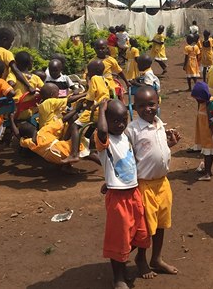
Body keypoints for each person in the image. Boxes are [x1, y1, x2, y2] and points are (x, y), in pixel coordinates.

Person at [95, 99, 150, 289]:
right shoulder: (104, 140)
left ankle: (128, 259)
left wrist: (108, 180)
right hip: (118, 199)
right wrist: (101, 109)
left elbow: (128, 162)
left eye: (123, 119)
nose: (120, 124)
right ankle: (118, 277)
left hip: (134, 192)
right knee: (119, 239)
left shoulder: (125, 137)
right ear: (105, 120)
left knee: (140, 232)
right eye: (115, 121)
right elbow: (102, 131)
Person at [126, 87, 181, 278]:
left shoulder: (159, 124)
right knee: (146, 227)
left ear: (158, 103)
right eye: (141, 106)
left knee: (161, 223)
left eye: (151, 104)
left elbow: (157, 150)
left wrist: (169, 145)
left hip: (163, 183)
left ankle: (156, 258)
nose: (147, 109)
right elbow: (128, 157)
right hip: (145, 185)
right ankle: (140, 257)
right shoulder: (132, 130)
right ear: (134, 108)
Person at [13, 107, 99, 168]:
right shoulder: (44, 131)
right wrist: (77, 109)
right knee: (87, 150)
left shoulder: (29, 142)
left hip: (54, 159)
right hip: (63, 152)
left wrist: (11, 120)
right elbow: (63, 120)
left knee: (63, 144)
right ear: (35, 128)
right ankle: (109, 168)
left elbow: (17, 134)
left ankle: (66, 167)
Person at [63, 60, 112, 164]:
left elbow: (90, 98)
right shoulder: (105, 80)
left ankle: (74, 154)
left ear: (93, 71)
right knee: (90, 127)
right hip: (104, 110)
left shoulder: (94, 79)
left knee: (75, 126)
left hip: (96, 110)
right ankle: (87, 145)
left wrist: (85, 107)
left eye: (88, 70)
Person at [189, 82, 213, 181]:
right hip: (204, 131)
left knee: (208, 152)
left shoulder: (212, 103)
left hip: (209, 133)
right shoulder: (202, 102)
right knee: (208, 152)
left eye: (198, 98)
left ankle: (207, 173)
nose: (197, 100)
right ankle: (207, 170)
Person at [0, 27, 33, 92]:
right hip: (3, 87)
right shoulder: (6, 53)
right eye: (10, 42)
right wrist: (28, 86)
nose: (11, 45)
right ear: (4, 40)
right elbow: (16, 70)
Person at [6, 50, 44, 121]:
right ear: (30, 64)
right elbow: (44, 89)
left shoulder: (13, 75)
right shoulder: (36, 78)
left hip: (15, 113)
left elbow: (10, 83)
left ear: (16, 64)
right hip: (30, 112)